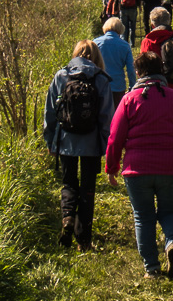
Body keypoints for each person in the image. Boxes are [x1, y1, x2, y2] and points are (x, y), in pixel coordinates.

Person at [106, 51, 173, 280]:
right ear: (162, 71)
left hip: (137, 169)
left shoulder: (129, 99)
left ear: (138, 72)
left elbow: (115, 137)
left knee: (143, 216)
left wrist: (112, 167)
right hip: (171, 167)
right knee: (170, 212)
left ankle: (152, 268)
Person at [42, 39, 116, 250]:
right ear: (97, 58)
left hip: (66, 141)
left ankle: (67, 220)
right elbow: (106, 116)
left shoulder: (61, 76)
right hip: (91, 143)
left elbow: (50, 112)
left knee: (68, 183)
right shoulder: (101, 79)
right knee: (88, 188)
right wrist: (107, 145)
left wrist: (50, 140)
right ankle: (83, 240)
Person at [140, 7, 173, 81]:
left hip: (157, 87)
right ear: (170, 22)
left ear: (152, 25)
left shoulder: (147, 42)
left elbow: (143, 69)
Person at [94, 17, 137, 107]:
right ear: (120, 29)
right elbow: (131, 69)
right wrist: (132, 87)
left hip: (99, 86)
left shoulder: (96, 43)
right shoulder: (125, 45)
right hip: (118, 86)